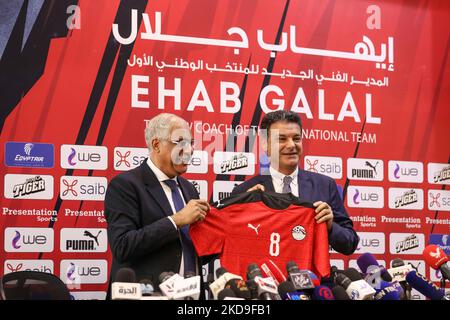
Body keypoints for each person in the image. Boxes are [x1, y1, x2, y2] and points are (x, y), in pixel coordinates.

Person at [104, 113, 210, 295]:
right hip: (145, 295)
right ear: (156, 145)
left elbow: (195, 249)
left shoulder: (189, 189)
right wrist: (175, 221)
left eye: (191, 143)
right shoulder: (125, 185)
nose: (190, 150)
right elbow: (123, 246)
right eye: (181, 143)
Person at [231, 110, 359, 255]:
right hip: (264, 275)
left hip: (313, 276)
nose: (291, 145)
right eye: (282, 139)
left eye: (296, 138)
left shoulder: (325, 185)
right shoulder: (245, 192)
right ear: (266, 145)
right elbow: (233, 245)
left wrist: (330, 226)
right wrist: (245, 214)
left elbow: (350, 243)